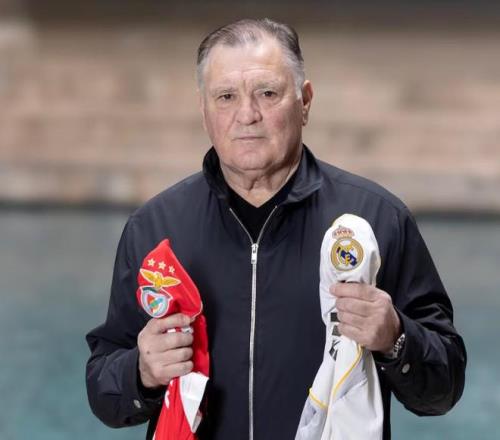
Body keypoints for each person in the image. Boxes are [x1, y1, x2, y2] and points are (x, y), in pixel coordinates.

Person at [85, 18, 466, 440]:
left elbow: (444, 389)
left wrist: (396, 338)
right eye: (226, 97)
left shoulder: (377, 220)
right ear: (204, 110)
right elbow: (103, 392)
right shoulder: (155, 229)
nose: (247, 115)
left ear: (305, 102)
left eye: (267, 93)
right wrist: (141, 371)